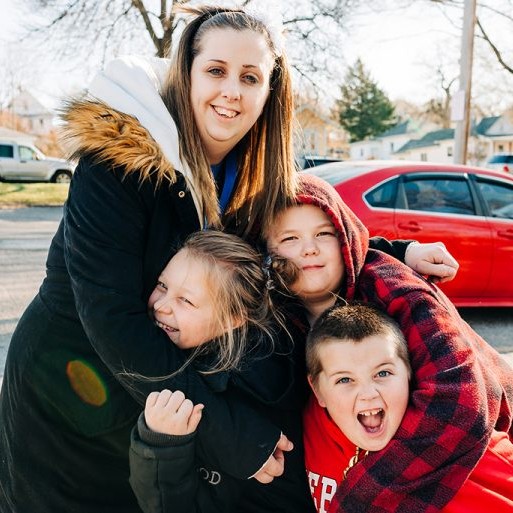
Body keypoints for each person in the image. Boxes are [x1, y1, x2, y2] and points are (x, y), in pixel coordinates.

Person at [0, 4, 459, 512]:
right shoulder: (117, 166)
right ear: (186, 74)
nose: (231, 91)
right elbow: (110, 315)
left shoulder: (254, 178)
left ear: (270, 90)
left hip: (162, 401)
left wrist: (397, 251)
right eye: (215, 71)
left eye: (250, 77)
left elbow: (293, 245)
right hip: (70, 386)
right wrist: (226, 432)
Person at [265, 172, 513, 512]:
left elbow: (459, 401)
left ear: (346, 239)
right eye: (290, 238)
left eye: (324, 233)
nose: (308, 248)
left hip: (483, 435)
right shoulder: (276, 307)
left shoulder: (397, 292)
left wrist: (357, 501)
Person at [129, 229, 298, 513]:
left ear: (233, 319)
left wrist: (161, 442)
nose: (161, 305)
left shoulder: (243, 396)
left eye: (186, 301)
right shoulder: (197, 356)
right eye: (162, 285)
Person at [304, 302, 513, 513]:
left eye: (383, 373)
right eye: (345, 380)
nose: (368, 394)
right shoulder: (303, 426)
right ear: (318, 390)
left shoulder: (469, 452)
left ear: (409, 373)